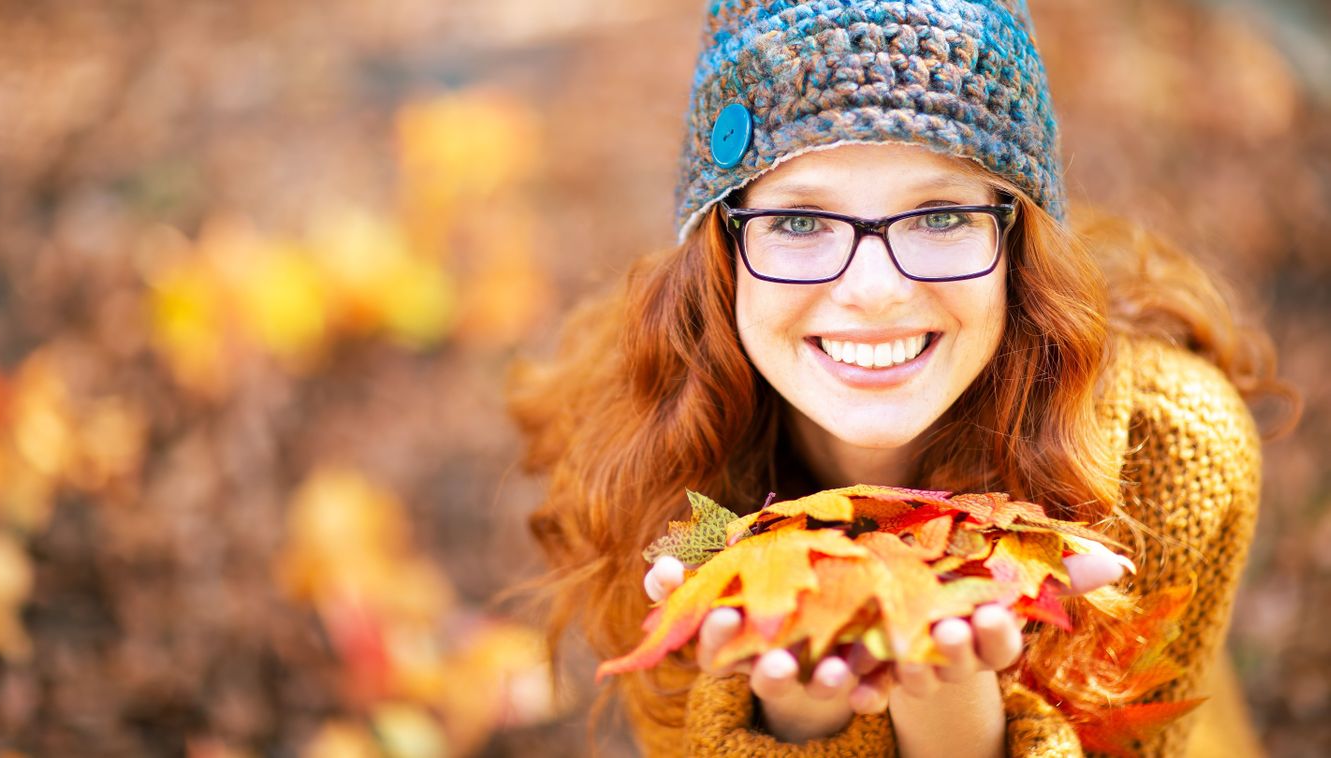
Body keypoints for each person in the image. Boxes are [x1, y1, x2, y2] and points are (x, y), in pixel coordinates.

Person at [509, 1, 1295, 755]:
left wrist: (950, 704)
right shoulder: (655, 469)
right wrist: (791, 719)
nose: (875, 288)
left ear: (1016, 239)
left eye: (940, 215)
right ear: (721, 250)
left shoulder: (1157, 451)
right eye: (799, 221)